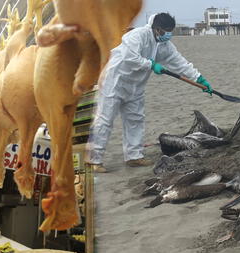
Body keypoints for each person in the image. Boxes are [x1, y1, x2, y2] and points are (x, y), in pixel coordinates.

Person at [88, 12, 213, 173]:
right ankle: (94, 160)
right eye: (167, 30)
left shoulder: (165, 45)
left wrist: (199, 79)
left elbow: (180, 62)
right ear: (157, 28)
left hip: (135, 86)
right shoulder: (138, 35)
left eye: (171, 31)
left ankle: (134, 156)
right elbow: (129, 56)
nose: (169, 34)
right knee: (104, 120)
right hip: (115, 81)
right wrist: (151, 64)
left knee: (135, 120)